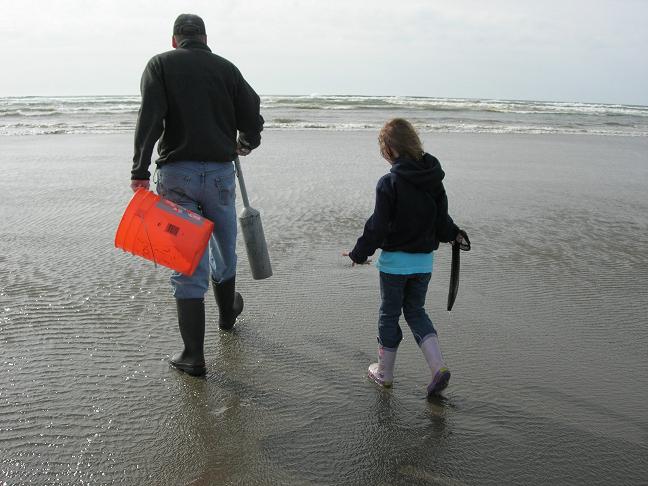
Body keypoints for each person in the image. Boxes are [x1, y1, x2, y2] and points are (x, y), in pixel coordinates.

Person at [129, 14, 264, 377]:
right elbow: (253, 113)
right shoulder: (227, 69)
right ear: (205, 37)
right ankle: (226, 316)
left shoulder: (160, 64)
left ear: (175, 39)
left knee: (187, 262)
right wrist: (246, 143)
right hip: (221, 173)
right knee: (224, 245)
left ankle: (194, 356)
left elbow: (150, 119)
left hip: (177, 177)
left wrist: (140, 171)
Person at [343, 118, 467, 397]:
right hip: (423, 263)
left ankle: (384, 373)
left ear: (390, 149)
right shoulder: (433, 181)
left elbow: (377, 225)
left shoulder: (390, 182)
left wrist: (358, 253)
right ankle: (438, 368)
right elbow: (441, 219)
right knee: (415, 311)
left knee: (389, 314)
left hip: (395, 265)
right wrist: (454, 234)